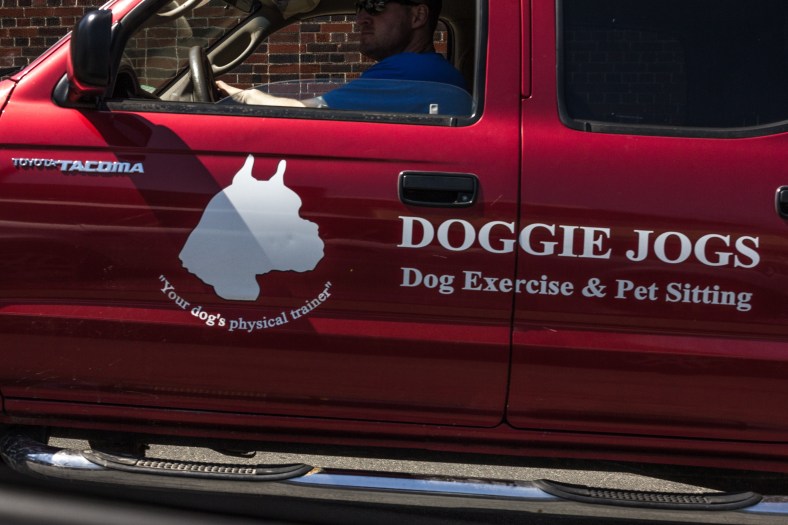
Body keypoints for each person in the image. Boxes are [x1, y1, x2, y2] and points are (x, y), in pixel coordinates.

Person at [216, 0, 469, 114]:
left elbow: (307, 115)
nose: (360, 18)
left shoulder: (409, 73)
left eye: (376, 4)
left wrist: (246, 97)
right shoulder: (437, 74)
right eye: (360, 7)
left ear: (418, 16)